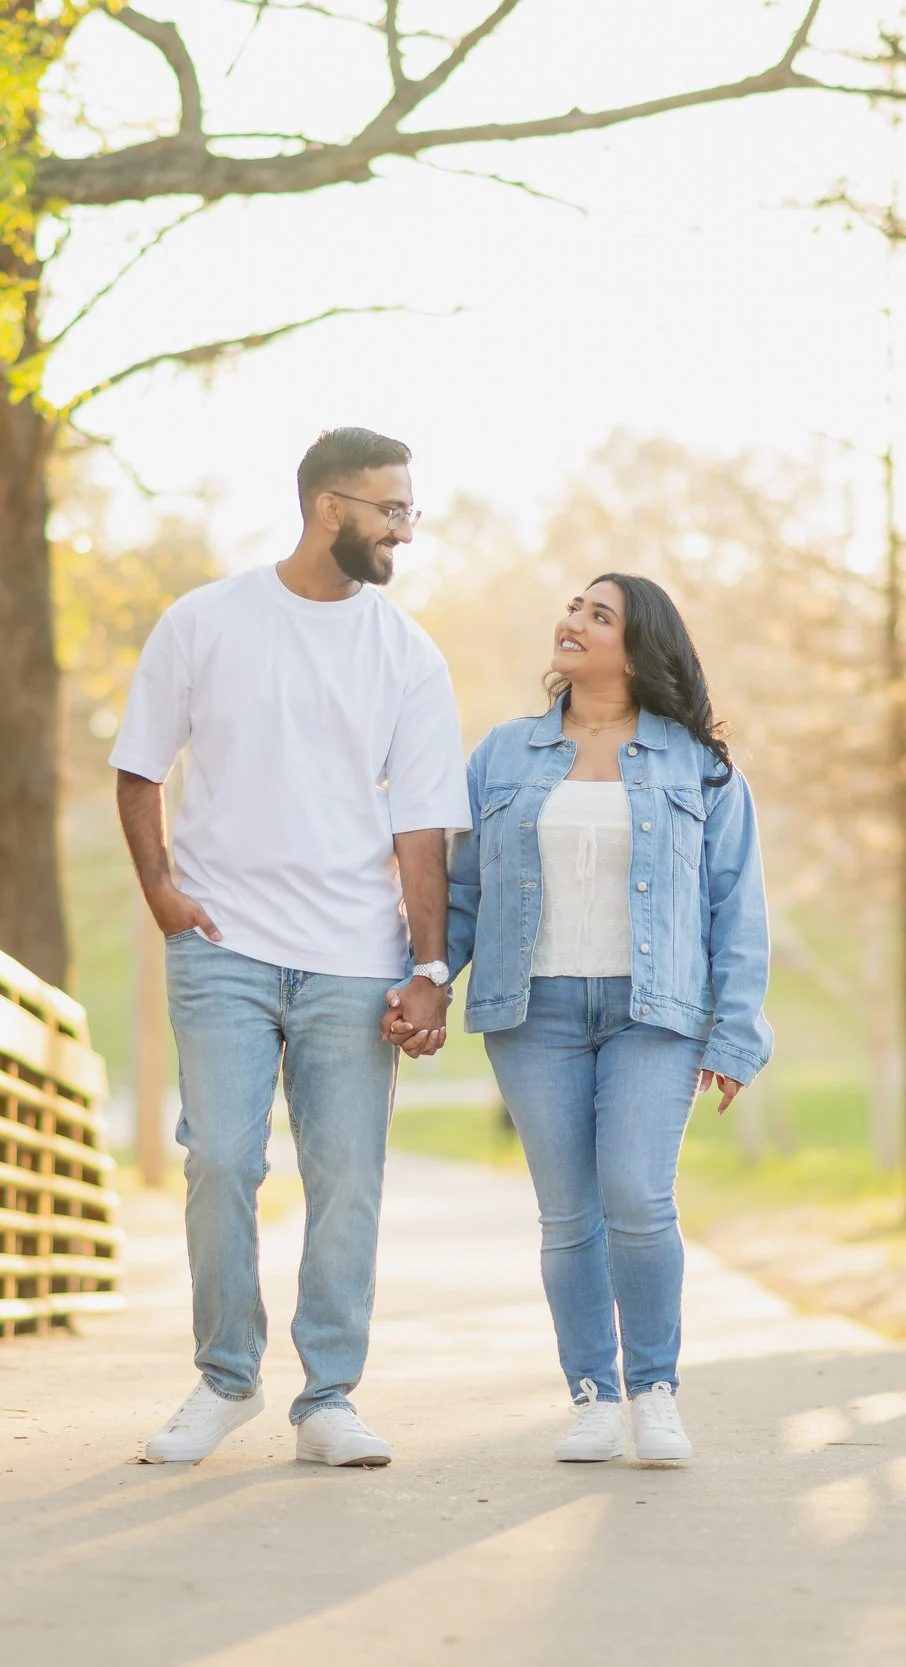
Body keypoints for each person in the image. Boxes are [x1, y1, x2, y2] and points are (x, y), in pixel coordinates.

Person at [111, 427, 466, 1468]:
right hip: (221, 944)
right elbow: (138, 767)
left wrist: (430, 967)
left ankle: (328, 1398)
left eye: (408, 510)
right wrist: (165, 894)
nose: (405, 529)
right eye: (390, 510)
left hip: (355, 954)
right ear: (329, 508)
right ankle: (226, 1379)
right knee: (221, 1157)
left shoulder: (406, 651)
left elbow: (423, 827)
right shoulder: (205, 621)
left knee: (345, 1174)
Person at [397, 573, 770, 1465]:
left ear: (639, 648)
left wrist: (736, 1033)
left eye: (599, 615)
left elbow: (736, 905)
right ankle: (594, 1396)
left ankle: (656, 1389)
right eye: (574, 607)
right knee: (568, 1215)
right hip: (536, 1011)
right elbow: (464, 888)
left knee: (638, 1199)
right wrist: (428, 977)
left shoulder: (699, 764)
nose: (572, 622)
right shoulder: (502, 753)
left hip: (656, 1012)